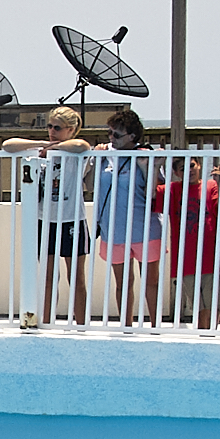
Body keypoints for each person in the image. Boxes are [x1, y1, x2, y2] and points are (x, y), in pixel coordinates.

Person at [4, 107, 92, 324]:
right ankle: (46, 322)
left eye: (58, 128)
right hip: (45, 220)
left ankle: (81, 325)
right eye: (50, 126)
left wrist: (55, 147)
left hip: (72, 219)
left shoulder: (74, 152)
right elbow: (8, 145)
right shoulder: (42, 150)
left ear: (70, 130)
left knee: (76, 277)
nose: (52, 131)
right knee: (48, 277)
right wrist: (41, 145)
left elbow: (82, 145)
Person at [92, 107, 163, 327]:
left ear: (132, 137)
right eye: (110, 133)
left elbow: (153, 192)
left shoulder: (144, 156)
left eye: (117, 134)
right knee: (123, 283)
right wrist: (97, 156)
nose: (111, 138)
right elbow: (91, 185)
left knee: (151, 282)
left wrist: (148, 168)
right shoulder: (105, 156)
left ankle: (155, 326)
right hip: (114, 230)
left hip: (145, 228)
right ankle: (126, 326)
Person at [154, 156, 220, 329]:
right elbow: (151, 195)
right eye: (182, 168)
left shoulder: (211, 186)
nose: (189, 170)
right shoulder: (172, 189)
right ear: (175, 173)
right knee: (198, 307)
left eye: (192, 165)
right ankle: (203, 337)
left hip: (212, 257)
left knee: (213, 303)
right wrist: (155, 166)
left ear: (199, 165)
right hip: (186, 260)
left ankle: (210, 336)